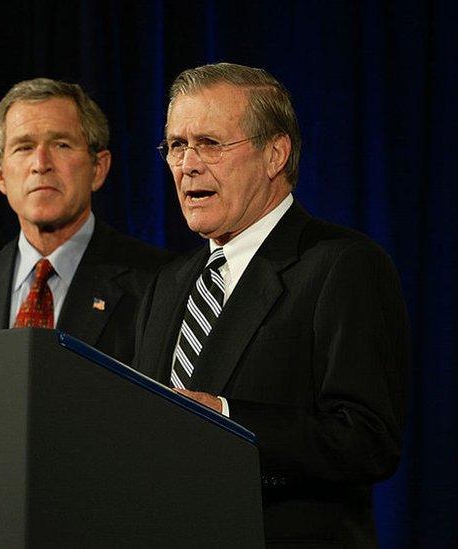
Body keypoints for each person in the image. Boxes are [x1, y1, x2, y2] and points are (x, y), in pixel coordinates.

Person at [133, 62, 408, 546]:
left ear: (275, 153)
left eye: (210, 144)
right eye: (177, 145)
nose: (188, 164)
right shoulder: (168, 282)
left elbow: (366, 440)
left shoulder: (341, 265)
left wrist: (225, 419)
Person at [0, 78, 171, 364]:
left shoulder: (157, 283)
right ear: (0, 174)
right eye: (24, 147)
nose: (41, 163)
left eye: (61, 144)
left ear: (98, 168)